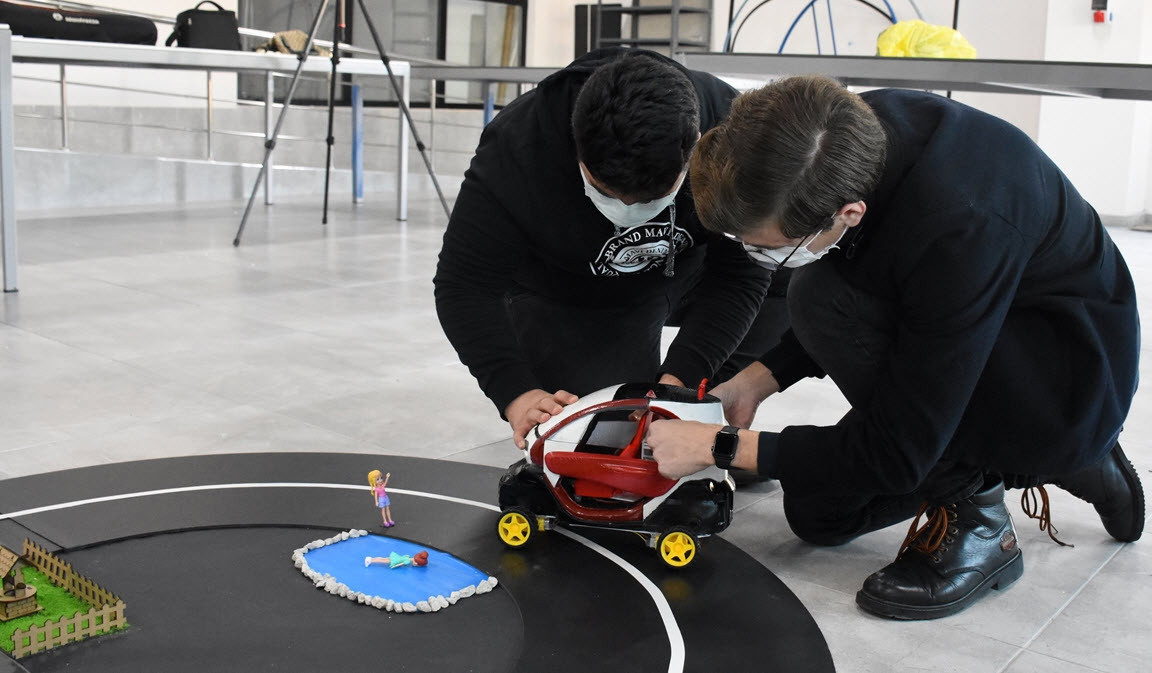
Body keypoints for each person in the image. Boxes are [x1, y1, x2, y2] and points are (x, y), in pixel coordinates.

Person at [647, 75, 1144, 620]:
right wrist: (755, 381)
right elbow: (884, 287)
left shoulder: (957, 225)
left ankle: (986, 519)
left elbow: (897, 454)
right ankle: (1060, 462)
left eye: (771, 249)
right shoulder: (832, 140)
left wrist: (720, 447)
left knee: (814, 296)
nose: (757, 259)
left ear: (848, 214)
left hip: (1063, 380)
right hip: (974, 327)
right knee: (820, 514)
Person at [433, 48, 789, 452]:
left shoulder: (731, 134)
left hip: (691, 268)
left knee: (788, 265)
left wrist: (683, 381)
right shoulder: (517, 149)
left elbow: (741, 274)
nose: (628, 210)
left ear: (694, 147)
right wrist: (516, 394)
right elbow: (464, 286)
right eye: (605, 192)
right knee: (601, 440)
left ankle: (713, 406)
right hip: (573, 288)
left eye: (652, 199)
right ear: (576, 146)